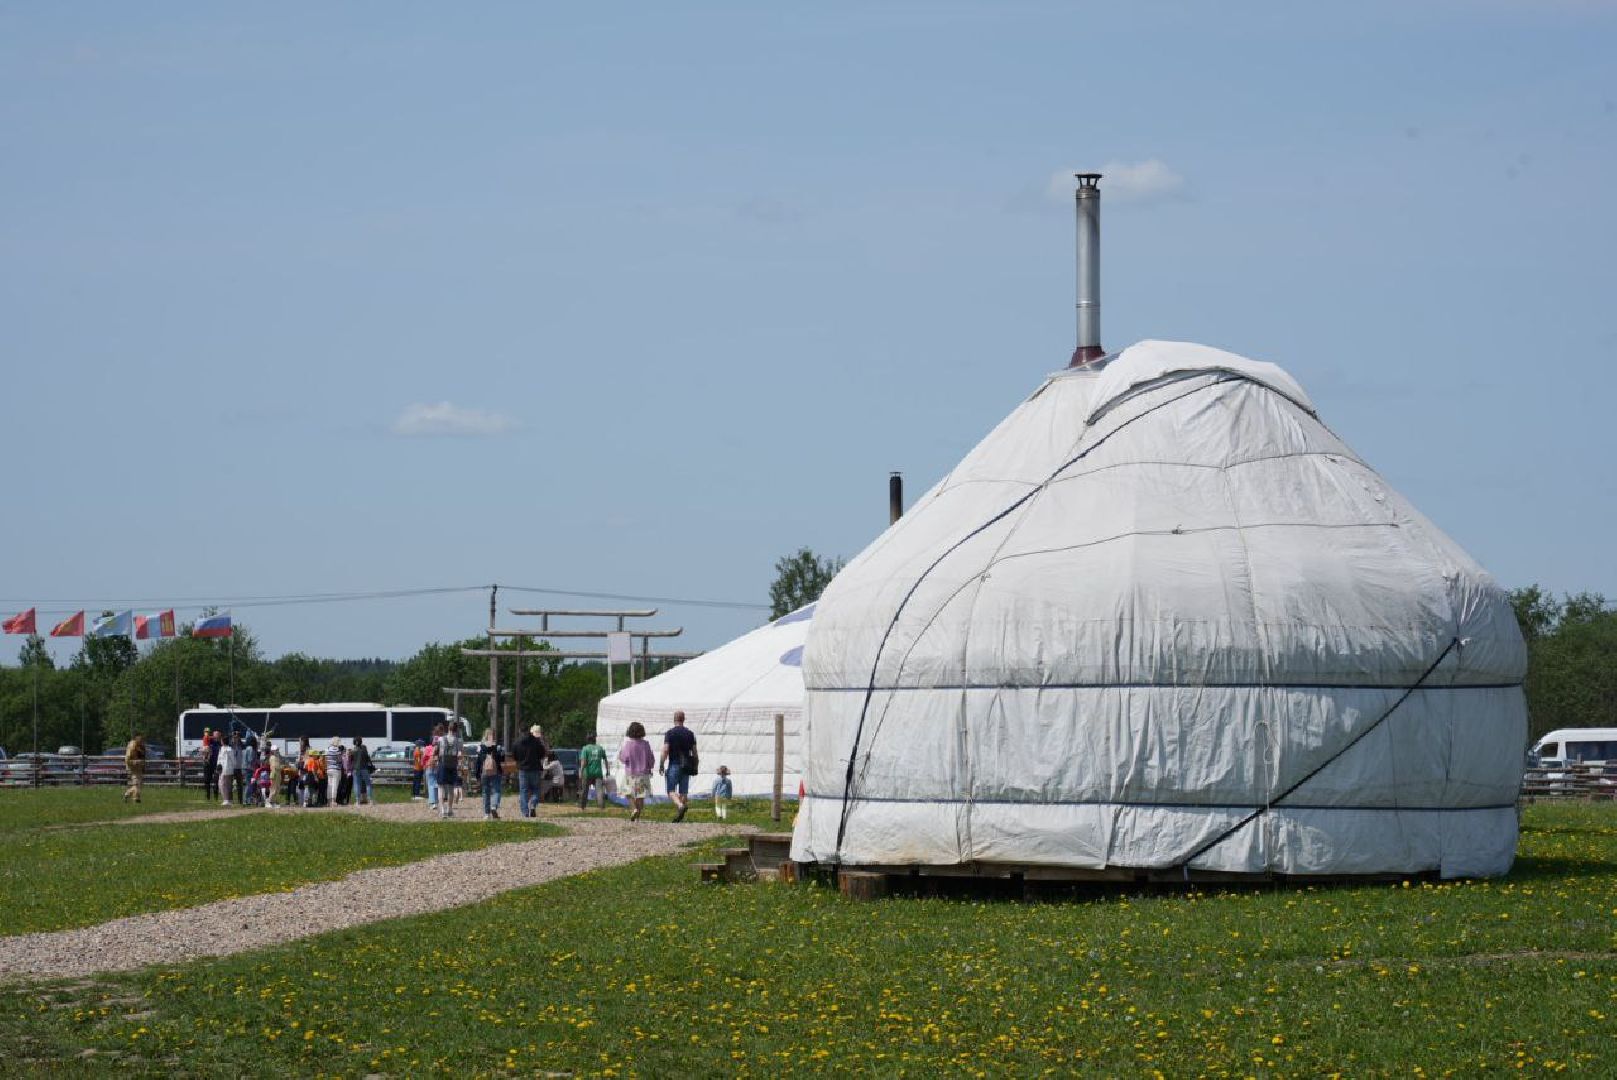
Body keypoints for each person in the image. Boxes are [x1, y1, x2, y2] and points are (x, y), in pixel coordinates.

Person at [659, 710, 698, 823]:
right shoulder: (690, 734)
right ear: (683, 719)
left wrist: (661, 764)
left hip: (674, 764)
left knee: (670, 790)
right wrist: (696, 765)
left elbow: (666, 749)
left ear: (674, 719)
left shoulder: (670, 733)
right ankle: (679, 816)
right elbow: (695, 752)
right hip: (686, 765)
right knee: (683, 792)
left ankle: (680, 806)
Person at [617, 721, 655, 822]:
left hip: (631, 774)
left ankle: (634, 809)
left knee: (627, 793)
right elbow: (650, 759)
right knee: (640, 796)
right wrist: (651, 766)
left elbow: (623, 759)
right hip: (643, 774)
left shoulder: (628, 745)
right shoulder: (646, 744)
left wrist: (620, 755)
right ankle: (637, 816)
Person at [512, 724, 549, 818]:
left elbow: (514, 756)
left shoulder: (517, 742)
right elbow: (542, 753)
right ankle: (533, 803)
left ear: (520, 731)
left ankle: (525, 812)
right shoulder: (535, 741)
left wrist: (520, 761)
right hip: (535, 768)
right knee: (536, 789)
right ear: (528, 730)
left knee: (523, 791)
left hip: (523, 770)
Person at [474, 729, 506, 820]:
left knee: (485, 792)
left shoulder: (480, 747)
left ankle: (486, 814)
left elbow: (478, 762)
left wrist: (477, 774)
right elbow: (502, 759)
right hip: (496, 771)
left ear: (485, 735)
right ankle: (494, 806)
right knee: (496, 790)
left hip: (484, 772)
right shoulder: (498, 746)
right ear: (494, 736)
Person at [435, 723, 464, 819]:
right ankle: (450, 810)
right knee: (451, 789)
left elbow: (436, 752)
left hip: (442, 765)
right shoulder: (458, 741)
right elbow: (460, 755)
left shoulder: (440, 739)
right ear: (456, 730)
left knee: (441, 788)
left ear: (448, 729)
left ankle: (442, 810)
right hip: (453, 766)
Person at [578, 734, 608, 810]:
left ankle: (582, 806)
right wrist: (607, 770)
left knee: (585, 790)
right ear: (595, 740)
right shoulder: (600, 748)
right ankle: (601, 807)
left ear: (587, 740)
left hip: (587, 773)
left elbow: (584, 762)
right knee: (599, 791)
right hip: (598, 773)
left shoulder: (585, 749)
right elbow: (605, 760)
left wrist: (580, 772)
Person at [122, 733, 146, 803]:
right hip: (131, 766)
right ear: (136, 739)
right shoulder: (132, 746)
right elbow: (127, 760)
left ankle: (127, 794)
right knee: (136, 783)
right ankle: (136, 798)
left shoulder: (142, 746)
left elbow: (143, 757)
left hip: (139, 766)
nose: (141, 741)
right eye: (140, 740)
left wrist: (143, 766)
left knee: (140, 784)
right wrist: (135, 762)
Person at [216, 735, 239, 807]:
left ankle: (226, 800)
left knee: (224, 785)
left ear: (223, 741)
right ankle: (229, 800)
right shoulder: (221, 749)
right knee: (225, 784)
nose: (221, 742)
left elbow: (233, 760)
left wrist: (234, 766)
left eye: (221, 740)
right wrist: (218, 767)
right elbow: (219, 759)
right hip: (223, 769)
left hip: (227, 769)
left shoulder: (229, 749)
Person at [352, 737, 374, 806]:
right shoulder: (364, 749)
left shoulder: (353, 750)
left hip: (356, 769)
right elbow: (368, 759)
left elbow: (352, 760)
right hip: (364, 768)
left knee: (357, 784)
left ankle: (357, 801)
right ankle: (370, 800)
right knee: (368, 784)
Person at [423, 730, 441, 813]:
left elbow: (424, 758)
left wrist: (423, 765)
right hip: (438, 767)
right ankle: (437, 802)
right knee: (436, 785)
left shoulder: (428, 748)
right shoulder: (441, 748)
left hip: (429, 767)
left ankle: (433, 802)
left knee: (431, 785)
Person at [325, 737, 344, 807]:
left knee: (329, 785)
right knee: (334, 785)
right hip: (336, 769)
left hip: (329, 769)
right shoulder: (337, 750)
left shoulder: (327, 749)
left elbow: (326, 759)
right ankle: (333, 801)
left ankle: (328, 801)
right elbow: (339, 760)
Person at [241, 736, 259, 807]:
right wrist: (257, 761)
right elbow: (250, 759)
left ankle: (247, 799)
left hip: (244, 768)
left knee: (248, 784)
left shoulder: (245, 748)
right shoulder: (251, 749)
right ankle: (246, 800)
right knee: (249, 784)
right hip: (249, 768)